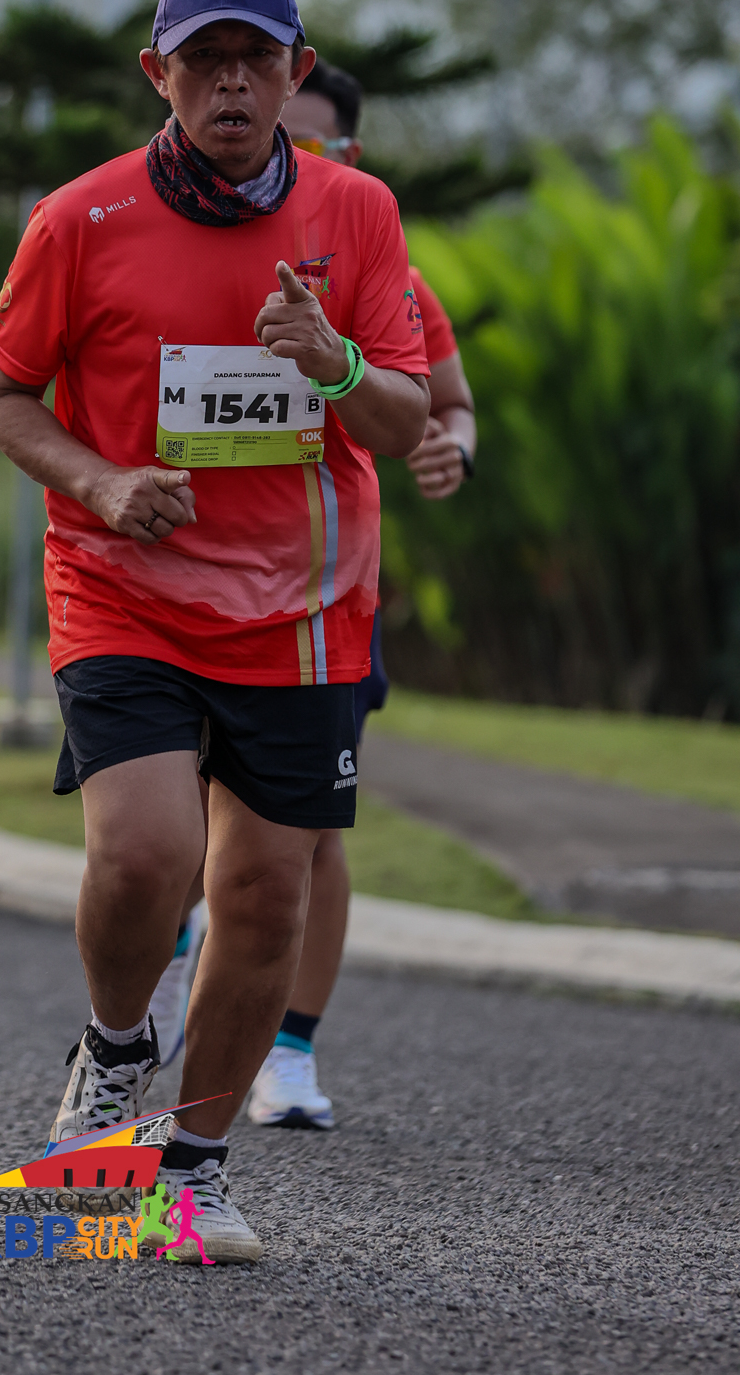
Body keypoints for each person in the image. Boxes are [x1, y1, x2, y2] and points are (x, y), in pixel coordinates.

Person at [0, 0, 430, 1262]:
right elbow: (0, 396)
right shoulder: (80, 220)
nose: (232, 83)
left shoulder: (356, 213)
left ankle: (187, 1172)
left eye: (256, 60)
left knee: (265, 896)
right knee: (142, 854)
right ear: (157, 75)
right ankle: (117, 1050)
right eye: (203, 60)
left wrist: (332, 363)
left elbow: (402, 419)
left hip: (302, 610)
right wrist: (100, 482)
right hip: (122, 585)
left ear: (296, 74)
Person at [246, 60, 477, 1129]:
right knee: (173, 826)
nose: (290, 155)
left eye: (316, 142)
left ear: (350, 154)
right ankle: (166, 992)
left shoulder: (387, 275)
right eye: (278, 135)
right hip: (179, 595)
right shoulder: (176, 248)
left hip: (328, 597)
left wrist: (452, 450)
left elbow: (452, 405)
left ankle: (289, 1052)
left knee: (310, 835)